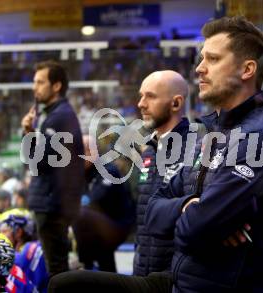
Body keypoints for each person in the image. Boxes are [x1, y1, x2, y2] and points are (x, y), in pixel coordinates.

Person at [144, 16, 263, 292]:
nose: (200, 69)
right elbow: (152, 211)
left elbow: (195, 231)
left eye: (212, 59)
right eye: (202, 59)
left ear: (247, 69)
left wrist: (196, 218)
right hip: (183, 283)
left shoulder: (259, 139)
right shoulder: (205, 131)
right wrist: (189, 205)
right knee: (69, 283)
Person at [48, 70, 192, 292]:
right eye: (141, 96)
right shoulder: (150, 153)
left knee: (62, 284)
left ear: (176, 103)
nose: (141, 103)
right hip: (142, 269)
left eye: (150, 96)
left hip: (171, 278)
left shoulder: (194, 151)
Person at [21, 60, 85, 277]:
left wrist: (28, 134)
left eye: (40, 82)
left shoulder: (58, 117)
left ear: (56, 86)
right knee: (57, 266)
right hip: (53, 203)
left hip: (51, 205)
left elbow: (37, 162)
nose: (34, 87)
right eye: (34, 82)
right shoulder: (53, 114)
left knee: (56, 270)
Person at [73, 135, 135, 272]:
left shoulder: (108, 170)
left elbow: (94, 199)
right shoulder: (83, 171)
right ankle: (91, 269)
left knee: (81, 214)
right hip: (100, 225)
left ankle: (85, 264)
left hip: (119, 225)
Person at [0, 208, 49, 293]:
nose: (0, 236)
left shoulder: (26, 252)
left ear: (18, 232)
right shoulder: (37, 245)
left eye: (4, 231)